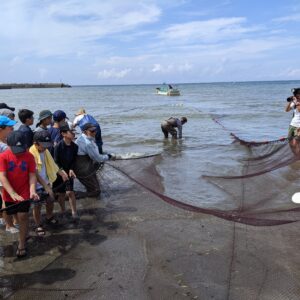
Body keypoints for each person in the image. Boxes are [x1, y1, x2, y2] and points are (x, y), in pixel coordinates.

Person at [0, 131, 39, 258]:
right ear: (8, 144)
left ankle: (22, 244)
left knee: (23, 216)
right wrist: (12, 193)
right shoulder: (3, 156)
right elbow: (2, 177)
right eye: (15, 148)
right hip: (8, 191)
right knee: (9, 214)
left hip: (24, 191)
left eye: (21, 148)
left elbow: (32, 175)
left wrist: (32, 190)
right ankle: (13, 227)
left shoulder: (29, 156)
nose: (19, 152)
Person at [29, 130, 68, 235]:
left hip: (47, 181)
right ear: (35, 143)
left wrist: (62, 173)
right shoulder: (31, 153)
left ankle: (49, 216)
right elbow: (34, 173)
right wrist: (45, 186)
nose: (46, 147)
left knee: (50, 200)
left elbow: (52, 164)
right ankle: (38, 225)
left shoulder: (45, 151)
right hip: (36, 185)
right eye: (43, 145)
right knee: (37, 206)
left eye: (47, 145)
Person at [75, 123, 115, 197]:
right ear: (85, 132)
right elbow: (98, 158)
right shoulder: (87, 143)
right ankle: (74, 195)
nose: (94, 132)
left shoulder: (81, 138)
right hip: (83, 169)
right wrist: (109, 156)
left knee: (93, 187)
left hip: (82, 166)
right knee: (96, 191)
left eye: (95, 130)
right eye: (92, 131)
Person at [53, 122, 79, 220]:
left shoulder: (75, 147)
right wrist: (61, 171)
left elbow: (74, 160)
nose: (73, 133)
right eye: (71, 132)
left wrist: (71, 169)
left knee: (70, 192)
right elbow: (55, 161)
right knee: (61, 193)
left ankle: (74, 211)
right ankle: (63, 210)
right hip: (59, 172)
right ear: (63, 134)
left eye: (73, 131)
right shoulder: (58, 147)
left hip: (69, 172)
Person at [0, 116, 19, 233]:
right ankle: (9, 225)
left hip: (8, 175)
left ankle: (11, 221)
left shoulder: (5, 141)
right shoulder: (3, 146)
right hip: (2, 177)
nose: (12, 128)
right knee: (5, 200)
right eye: (9, 127)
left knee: (10, 199)